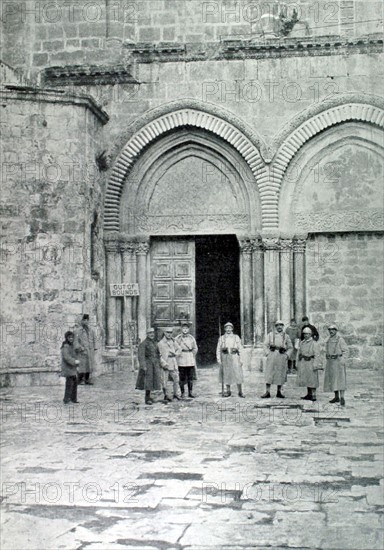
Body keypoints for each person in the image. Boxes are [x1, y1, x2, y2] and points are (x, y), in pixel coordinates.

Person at [261, 320, 293, 399]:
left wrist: (286, 355)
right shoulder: (270, 335)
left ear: (283, 326)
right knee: (269, 373)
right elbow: (265, 345)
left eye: (281, 325)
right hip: (272, 355)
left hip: (281, 355)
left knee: (280, 374)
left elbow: (290, 347)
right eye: (277, 325)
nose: (279, 327)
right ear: (275, 327)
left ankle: (279, 391)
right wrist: (268, 353)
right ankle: (267, 391)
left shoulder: (286, 336)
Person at [216, 322, 245, 398]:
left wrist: (241, 359)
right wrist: (219, 359)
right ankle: (228, 391)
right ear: (225, 329)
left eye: (230, 328)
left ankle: (240, 391)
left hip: (234, 356)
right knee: (226, 374)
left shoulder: (236, 337)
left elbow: (240, 348)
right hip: (225, 357)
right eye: (227, 328)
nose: (228, 329)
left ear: (232, 328)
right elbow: (218, 349)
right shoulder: (222, 338)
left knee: (238, 374)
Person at [135, 327, 162, 405]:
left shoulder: (155, 343)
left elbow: (157, 353)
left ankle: (150, 396)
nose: (152, 334)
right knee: (148, 382)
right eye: (150, 333)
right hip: (148, 364)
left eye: (153, 333)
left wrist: (159, 362)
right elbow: (141, 356)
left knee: (154, 380)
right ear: (147, 334)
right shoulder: (143, 343)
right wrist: (143, 366)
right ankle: (147, 399)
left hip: (155, 364)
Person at [324, 324, 348, 406]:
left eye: (333, 329)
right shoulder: (328, 340)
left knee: (340, 380)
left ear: (336, 330)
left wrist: (342, 360)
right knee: (333, 380)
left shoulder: (340, 340)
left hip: (338, 362)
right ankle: (336, 396)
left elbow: (346, 351)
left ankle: (342, 397)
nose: (331, 331)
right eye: (330, 330)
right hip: (331, 362)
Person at [296, 326, 323, 402]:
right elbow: (299, 352)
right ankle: (309, 394)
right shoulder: (302, 343)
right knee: (306, 378)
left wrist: (316, 364)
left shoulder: (314, 343)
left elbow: (317, 354)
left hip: (311, 361)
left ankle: (314, 394)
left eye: (307, 334)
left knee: (313, 379)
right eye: (304, 334)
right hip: (304, 362)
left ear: (310, 334)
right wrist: (298, 362)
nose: (306, 335)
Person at [158, 327, 182, 401]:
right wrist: (163, 363)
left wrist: (176, 354)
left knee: (176, 379)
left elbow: (179, 349)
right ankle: (166, 395)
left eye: (170, 333)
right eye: (167, 332)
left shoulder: (173, 341)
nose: (169, 334)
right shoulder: (160, 343)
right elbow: (159, 355)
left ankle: (176, 394)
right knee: (164, 380)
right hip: (166, 362)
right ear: (164, 333)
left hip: (173, 362)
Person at [175, 322, 198, 398]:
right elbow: (175, 347)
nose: (185, 330)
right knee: (181, 377)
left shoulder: (191, 338)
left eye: (186, 328)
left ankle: (190, 392)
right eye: (183, 328)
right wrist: (178, 354)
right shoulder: (178, 338)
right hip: (181, 358)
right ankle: (182, 392)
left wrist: (192, 355)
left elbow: (195, 348)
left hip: (189, 358)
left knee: (190, 377)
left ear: (188, 329)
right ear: (181, 329)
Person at [74, 314, 97, 385]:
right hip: (82, 351)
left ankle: (87, 379)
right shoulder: (77, 331)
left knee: (89, 366)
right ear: (81, 321)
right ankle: (80, 380)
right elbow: (75, 341)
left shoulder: (91, 330)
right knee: (82, 366)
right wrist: (80, 348)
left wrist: (94, 347)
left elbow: (94, 339)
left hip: (90, 351)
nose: (86, 322)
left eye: (87, 320)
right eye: (84, 320)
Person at [61, 331, 80, 404]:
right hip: (68, 368)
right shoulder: (65, 346)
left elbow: (74, 355)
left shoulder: (72, 345)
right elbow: (66, 357)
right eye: (69, 337)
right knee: (69, 384)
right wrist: (74, 361)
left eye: (72, 337)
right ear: (66, 338)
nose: (71, 339)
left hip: (72, 368)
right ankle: (66, 399)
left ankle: (73, 398)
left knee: (74, 383)